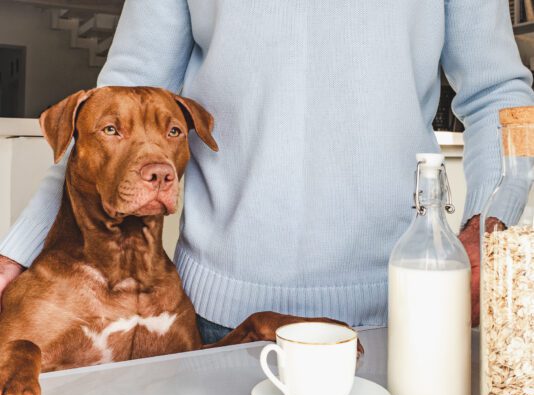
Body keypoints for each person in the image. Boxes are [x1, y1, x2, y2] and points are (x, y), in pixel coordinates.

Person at [0, 1, 533, 343]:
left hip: (400, 310)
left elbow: (501, 97)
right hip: (214, 317)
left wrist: (488, 229)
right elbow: (106, 119)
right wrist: (17, 252)